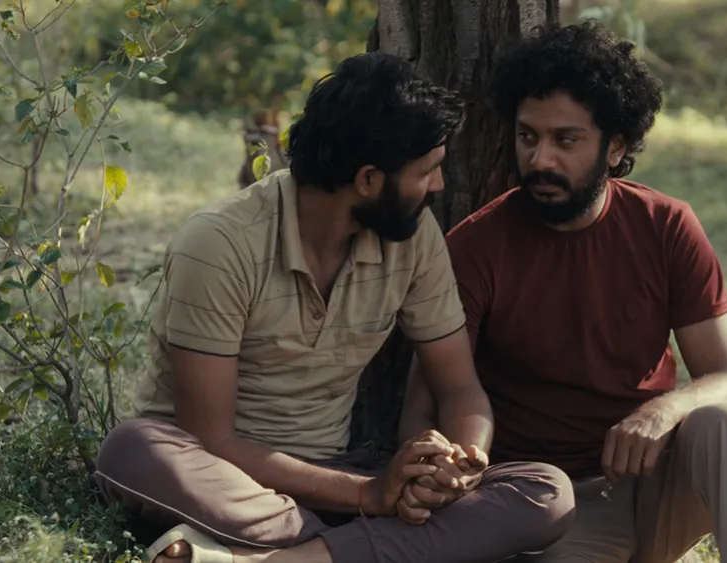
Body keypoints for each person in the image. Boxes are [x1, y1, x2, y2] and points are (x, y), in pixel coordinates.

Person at [92, 52, 575, 563]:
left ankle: (276, 558)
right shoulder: (219, 243)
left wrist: (460, 465)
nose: (438, 187)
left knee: (545, 493)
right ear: (368, 180)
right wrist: (371, 498)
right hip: (227, 481)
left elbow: (459, 388)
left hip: (341, 472)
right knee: (130, 451)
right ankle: (349, 551)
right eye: (427, 172)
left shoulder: (412, 239)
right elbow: (209, 437)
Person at [398, 21, 727, 563]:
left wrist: (662, 412)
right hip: (553, 505)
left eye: (566, 140)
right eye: (528, 136)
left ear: (616, 147)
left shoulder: (667, 226)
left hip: (656, 482)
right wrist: (439, 467)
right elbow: (422, 404)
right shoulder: (474, 247)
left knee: (722, 422)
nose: (540, 160)